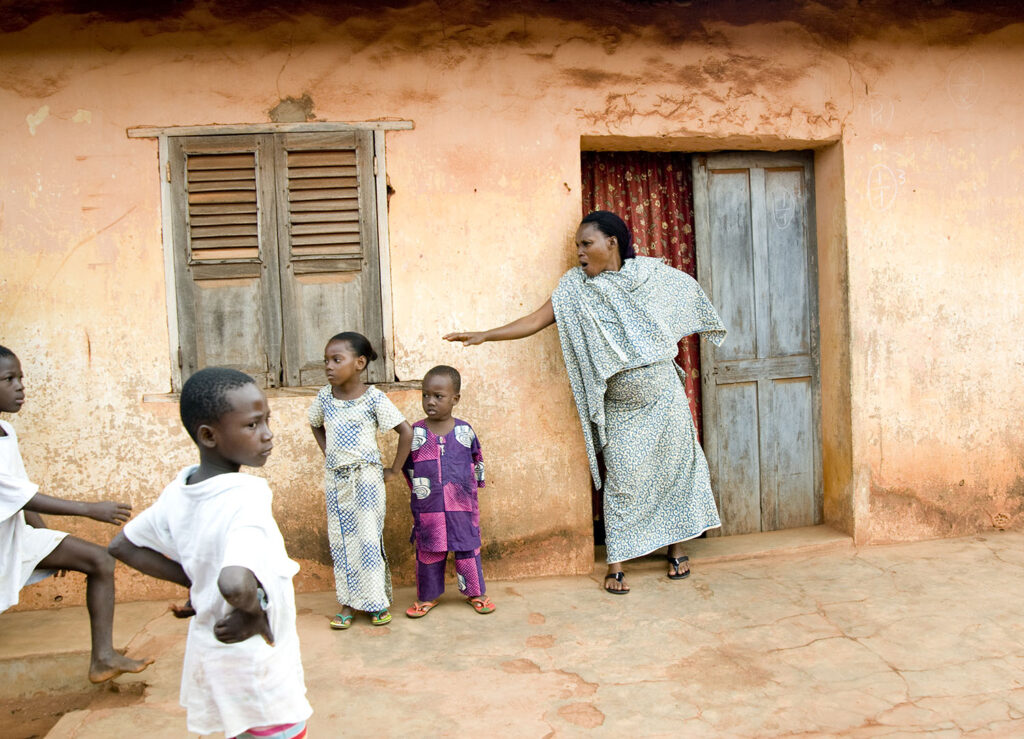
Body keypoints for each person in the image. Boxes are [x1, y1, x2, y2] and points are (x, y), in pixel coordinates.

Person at [444, 211, 727, 595]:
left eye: (585, 244)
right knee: (623, 480)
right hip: (620, 405)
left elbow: (688, 294)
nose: (578, 252)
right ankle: (617, 563)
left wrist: (692, 325)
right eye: (577, 245)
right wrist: (485, 335)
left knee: (675, 469)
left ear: (611, 243)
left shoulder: (649, 277)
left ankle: (676, 548)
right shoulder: (574, 289)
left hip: (664, 397)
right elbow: (535, 320)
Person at [108, 367, 312, 739]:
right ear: (208, 435)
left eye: (267, 420)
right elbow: (234, 582)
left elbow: (122, 545)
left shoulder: (180, 490)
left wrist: (195, 580)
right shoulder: (247, 495)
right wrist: (253, 612)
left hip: (215, 660)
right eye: (252, 425)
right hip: (257, 667)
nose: (267, 434)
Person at [0, 344, 153, 683]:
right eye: (9, 379)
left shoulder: (6, 432)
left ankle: (103, 658)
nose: (20, 386)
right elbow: (23, 498)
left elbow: (19, 491)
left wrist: (45, 539)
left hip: (14, 537)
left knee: (100, 560)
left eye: (20, 377)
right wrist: (89, 510)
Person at [309, 332, 412, 629]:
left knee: (367, 539)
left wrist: (393, 471)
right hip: (337, 481)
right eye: (326, 360)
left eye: (336, 360)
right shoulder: (324, 398)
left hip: (367, 481)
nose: (328, 366)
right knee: (341, 541)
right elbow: (314, 423)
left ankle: (377, 601)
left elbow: (406, 432)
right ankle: (348, 603)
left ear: (359, 363)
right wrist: (329, 452)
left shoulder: (374, 398)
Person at [402, 365, 494, 618]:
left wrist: (477, 486)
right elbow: (408, 467)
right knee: (429, 550)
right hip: (428, 506)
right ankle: (427, 596)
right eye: (425, 395)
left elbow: (477, 459)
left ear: (455, 399)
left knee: (467, 546)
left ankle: (476, 593)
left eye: (438, 396)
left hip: (462, 506)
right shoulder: (416, 432)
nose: (430, 401)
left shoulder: (465, 431)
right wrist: (419, 494)